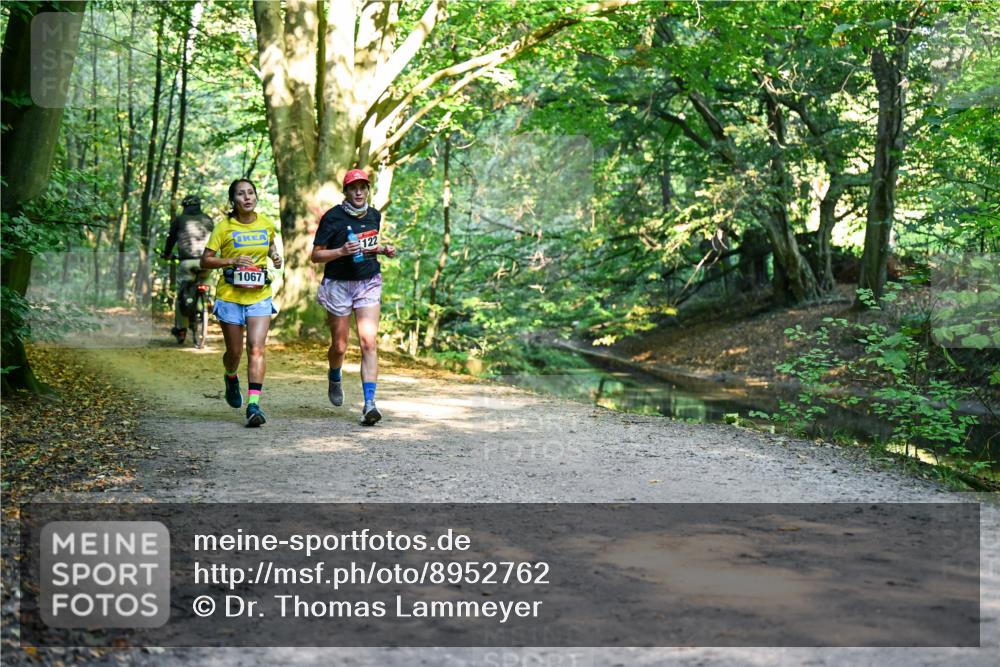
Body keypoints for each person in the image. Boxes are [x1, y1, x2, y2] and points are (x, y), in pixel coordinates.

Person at [311, 168, 396, 425]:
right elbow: (316, 256)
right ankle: (334, 374)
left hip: (367, 282)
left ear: (367, 190)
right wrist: (340, 251)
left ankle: (369, 403)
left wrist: (382, 249)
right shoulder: (332, 218)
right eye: (353, 188)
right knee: (340, 346)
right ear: (346, 192)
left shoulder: (374, 216)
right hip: (338, 284)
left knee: (369, 342)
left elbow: (367, 247)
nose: (358, 192)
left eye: (362, 187)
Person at [200, 179, 282, 427]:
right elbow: (206, 260)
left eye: (250, 193)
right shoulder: (223, 227)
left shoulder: (266, 223)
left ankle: (254, 405)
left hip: (259, 294)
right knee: (234, 352)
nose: (247, 197)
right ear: (233, 200)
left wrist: (275, 256)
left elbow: (269, 245)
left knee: (256, 349)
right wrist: (231, 260)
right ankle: (230, 375)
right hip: (231, 297)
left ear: (256, 197)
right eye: (241, 194)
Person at [162, 194, 213, 342]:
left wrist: (167, 254)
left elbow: (171, 238)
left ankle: (181, 329)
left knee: (182, 297)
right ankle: (207, 302)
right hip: (206, 262)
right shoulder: (207, 219)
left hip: (187, 263)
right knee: (206, 282)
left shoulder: (180, 219)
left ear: (185, 207)